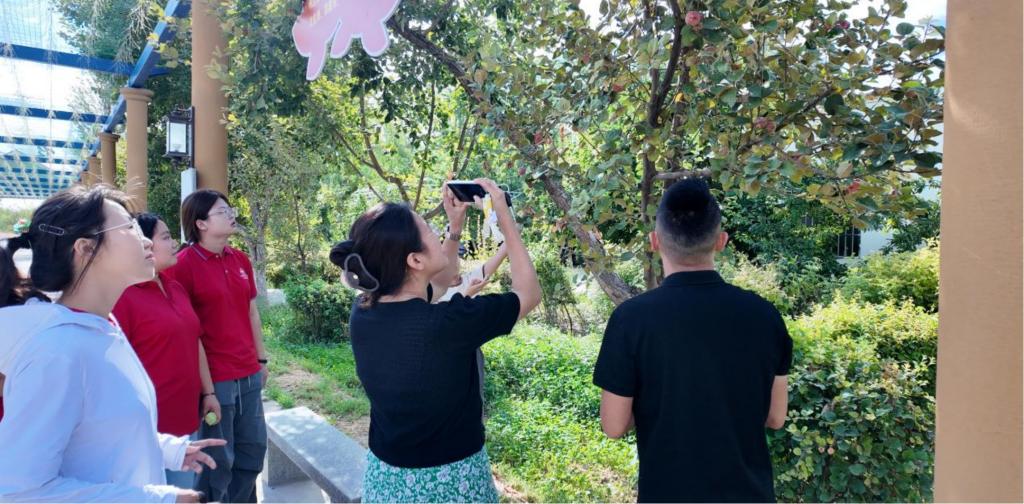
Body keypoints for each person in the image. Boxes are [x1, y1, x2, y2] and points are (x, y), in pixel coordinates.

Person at [0, 185, 224, 502]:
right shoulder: (56, 351)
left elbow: (99, 434)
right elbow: (20, 492)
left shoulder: (101, 326)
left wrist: (168, 450)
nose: (147, 240)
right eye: (129, 227)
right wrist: (162, 499)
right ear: (85, 248)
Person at [331, 179, 541, 502]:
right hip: (452, 485)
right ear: (415, 261)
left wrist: (454, 227)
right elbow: (529, 294)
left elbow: (440, 283)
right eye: (430, 230)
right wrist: (506, 220)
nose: (436, 233)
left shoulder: (364, 310)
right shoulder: (448, 324)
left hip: (386, 482)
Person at [593, 178, 792, 503]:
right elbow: (775, 417)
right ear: (721, 241)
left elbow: (614, 426)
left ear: (655, 241)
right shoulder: (765, 316)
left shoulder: (630, 320)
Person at [167, 189, 268, 503]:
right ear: (201, 223)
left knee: (253, 452)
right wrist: (206, 389)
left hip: (248, 372)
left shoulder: (239, 259)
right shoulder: (182, 265)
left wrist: (262, 360)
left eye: (230, 209)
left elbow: (251, 312)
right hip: (215, 379)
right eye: (222, 211)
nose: (231, 215)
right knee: (218, 463)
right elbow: (185, 329)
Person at [113, 212, 220, 490]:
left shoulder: (174, 287)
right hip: (149, 430)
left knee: (184, 490)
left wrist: (208, 392)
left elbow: (194, 340)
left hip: (186, 417)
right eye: (166, 237)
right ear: (143, 244)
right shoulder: (122, 297)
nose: (174, 243)